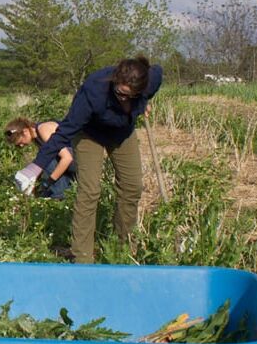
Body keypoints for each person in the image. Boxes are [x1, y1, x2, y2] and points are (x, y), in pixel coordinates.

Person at [15, 56, 162, 263]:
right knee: (90, 190)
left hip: (121, 133)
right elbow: (64, 133)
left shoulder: (150, 80)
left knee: (132, 187)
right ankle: (82, 257)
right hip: (89, 134)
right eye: (120, 93)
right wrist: (34, 169)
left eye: (131, 96)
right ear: (114, 81)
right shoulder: (94, 89)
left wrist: (144, 101)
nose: (123, 99)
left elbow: (158, 72)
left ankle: (122, 250)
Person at [4, 119, 75, 199]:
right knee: (45, 160)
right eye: (17, 145)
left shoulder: (43, 130)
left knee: (48, 160)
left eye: (20, 142)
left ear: (25, 131)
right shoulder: (36, 137)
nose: (21, 146)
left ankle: (59, 197)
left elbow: (67, 158)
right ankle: (59, 194)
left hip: (82, 160)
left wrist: (49, 182)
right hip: (74, 161)